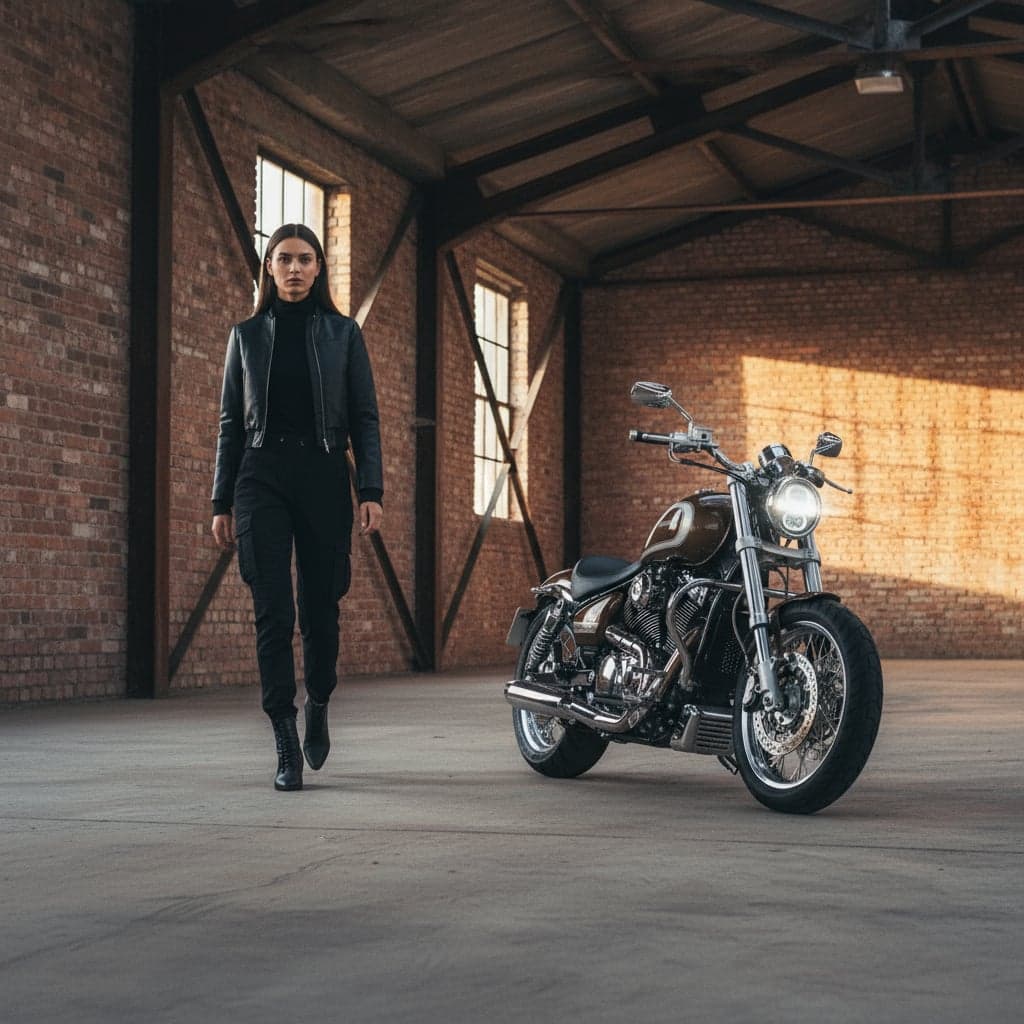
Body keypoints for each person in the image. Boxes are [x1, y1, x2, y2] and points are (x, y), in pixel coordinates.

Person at [211, 223, 383, 791]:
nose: (294, 269)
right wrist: (221, 499)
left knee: (320, 609)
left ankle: (320, 700)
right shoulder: (245, 336)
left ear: (318, 268)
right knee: (273, 611)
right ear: (268, 267)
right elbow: (231, 424)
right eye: (283, 259)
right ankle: (283, 733)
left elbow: (365, 418)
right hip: (260, 478)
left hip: (325, 475)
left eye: (305, 259)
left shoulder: (343, 334)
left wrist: (372, 491)